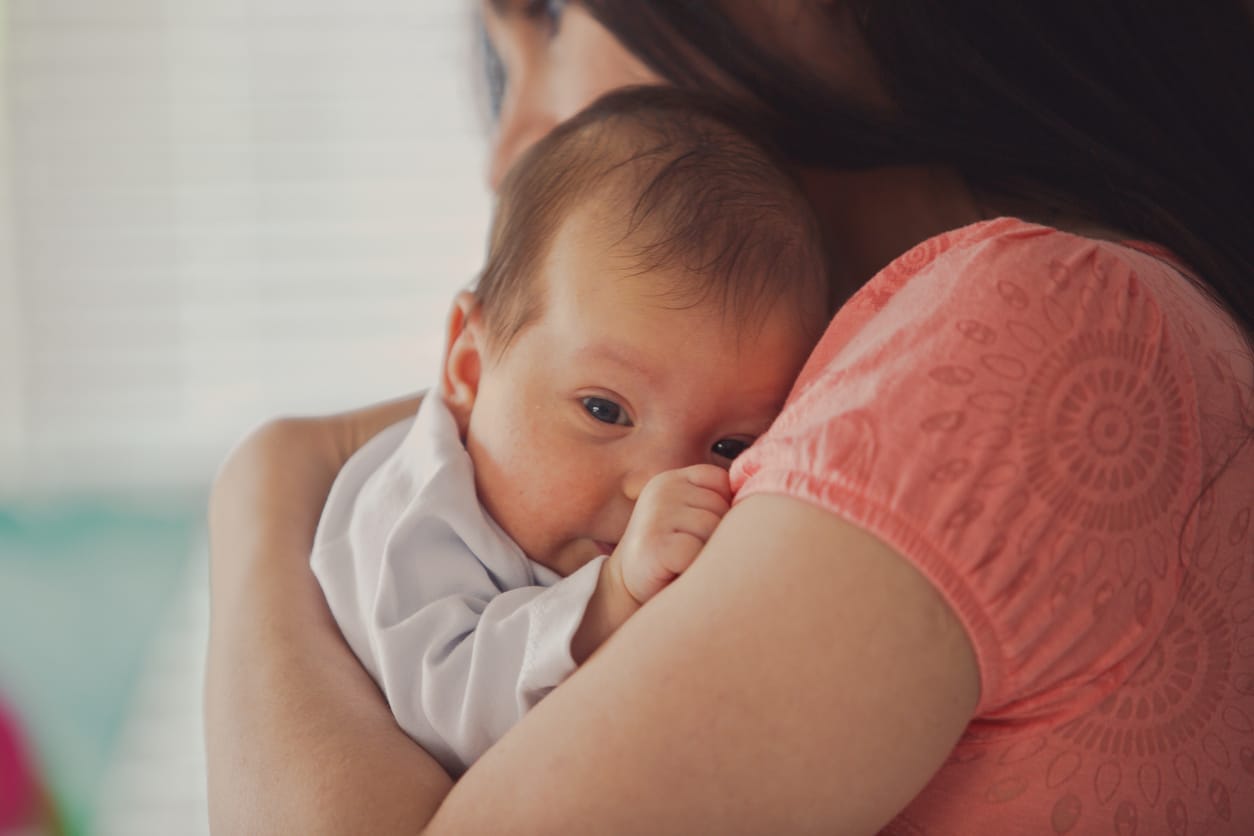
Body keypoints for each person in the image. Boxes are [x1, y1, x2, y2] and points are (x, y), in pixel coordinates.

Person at [204, 1, 1254, 832]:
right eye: (608, 406)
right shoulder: (969, 344)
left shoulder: (1032, 331)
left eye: (550, 17)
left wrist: (267, 493)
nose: (510, 144)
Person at [309, 88, 828, 777]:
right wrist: (610, 597)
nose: (658, 486)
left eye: (729, 447)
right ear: (469, 364)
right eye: (604, 410)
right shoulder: (413, 512)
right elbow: (449, 713)